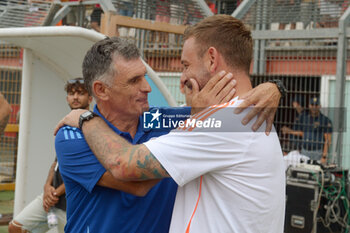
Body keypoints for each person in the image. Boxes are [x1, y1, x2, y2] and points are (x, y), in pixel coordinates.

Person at [56, 15, 285, 233]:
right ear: (101, 90)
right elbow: (135, 183)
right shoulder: (71, 136)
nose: (147, 88)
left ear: (212, 59)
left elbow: (206, 120)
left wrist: (275, 88)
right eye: (134, 80)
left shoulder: (205, 122)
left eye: (185, 65)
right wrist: (87, 120)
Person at [8, 78, 92, 233]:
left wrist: (55, 193)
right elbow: (56, 163)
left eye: (80, 93)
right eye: (71, 93)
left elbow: (83, 173)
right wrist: (47, 186)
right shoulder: (66, 124)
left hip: (71, 203)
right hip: (51, 196)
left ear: (90, 98)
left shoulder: (92, 126)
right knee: (16, 227)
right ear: (67, 97)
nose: (75, 97)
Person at [282, 96, 332, 163]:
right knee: (304, 171)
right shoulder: (305, 118)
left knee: (315, 171)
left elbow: (328, 140)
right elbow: (302, 133)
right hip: (305, 151)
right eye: (312, 105)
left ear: (320, 106)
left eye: (316, 105)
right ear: (309, 106)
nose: (314, 107)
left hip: (317, 152)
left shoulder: (325, 120)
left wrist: (324, 156)